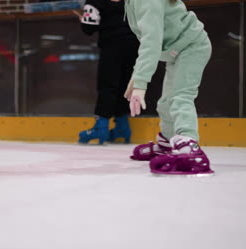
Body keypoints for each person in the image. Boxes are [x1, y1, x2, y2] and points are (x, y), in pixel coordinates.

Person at [124, 0, 214, 176]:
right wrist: (136, 78)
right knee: (165, 103)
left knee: (181, 97)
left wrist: (141, 83)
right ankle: (167, 142)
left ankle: (190, 147)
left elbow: (152, 41)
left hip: (192, 46)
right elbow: (147, 41)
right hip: (177, 52)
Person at [76, 0, 139, 144]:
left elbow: (88, 27)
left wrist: (83, 20)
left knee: (107, 85)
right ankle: (123, 127)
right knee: (125, 85)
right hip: (134, 44)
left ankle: (101, 127)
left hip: (111, 45)